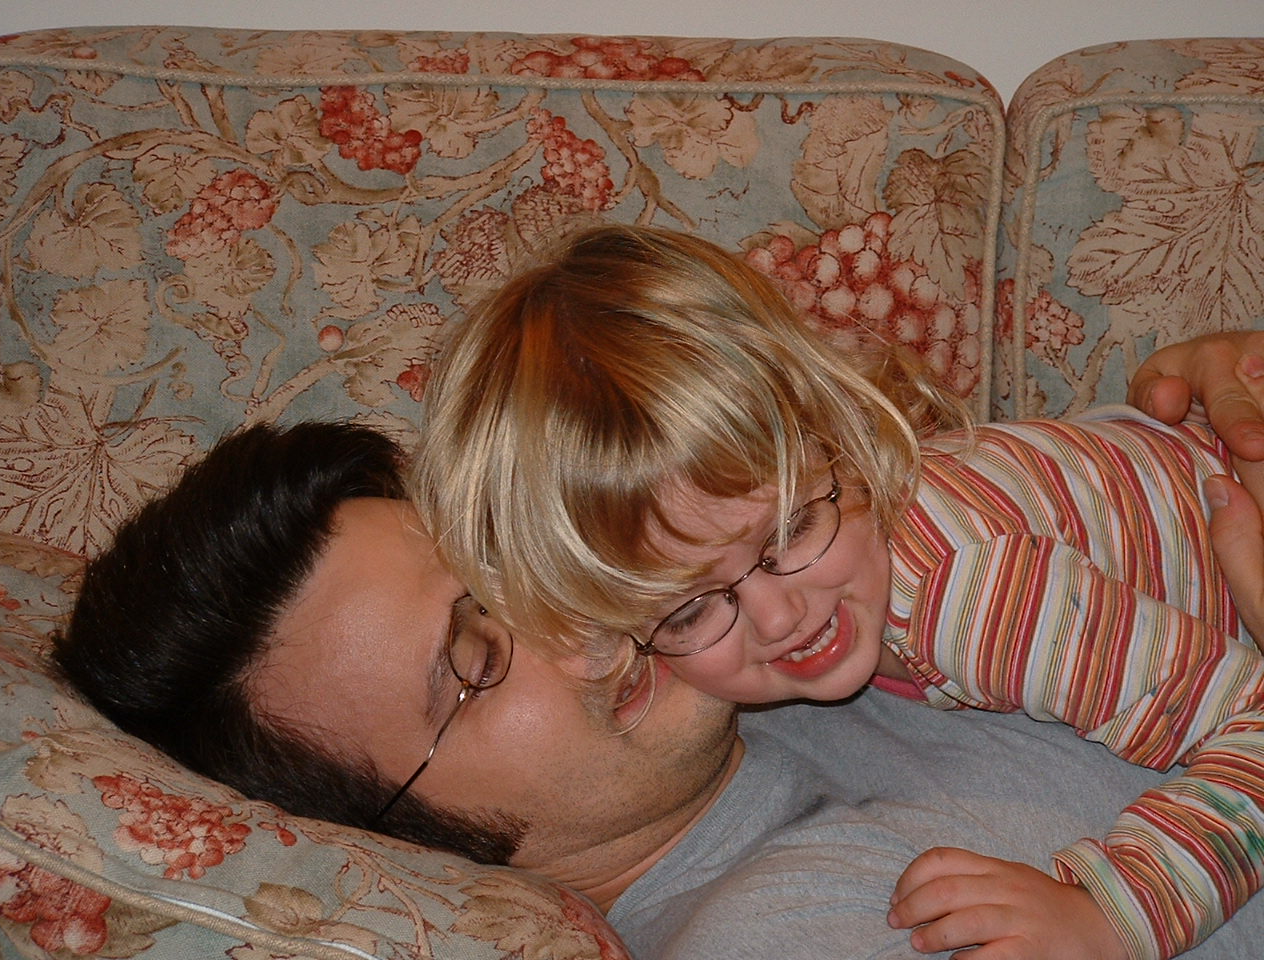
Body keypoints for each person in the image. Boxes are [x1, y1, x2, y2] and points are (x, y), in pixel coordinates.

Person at [52, 348, 1264, 956]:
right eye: (473, 662)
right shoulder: (790, 930)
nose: (575, 622)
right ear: (405, 837)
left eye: (510, 562)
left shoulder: (778, 620)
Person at [411, 225, 1264, 960]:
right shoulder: (831, 549)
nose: (780, 617)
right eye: (689, 608)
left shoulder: (971, 596)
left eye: (787, 532)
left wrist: (1110, 915)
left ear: (844, 434)